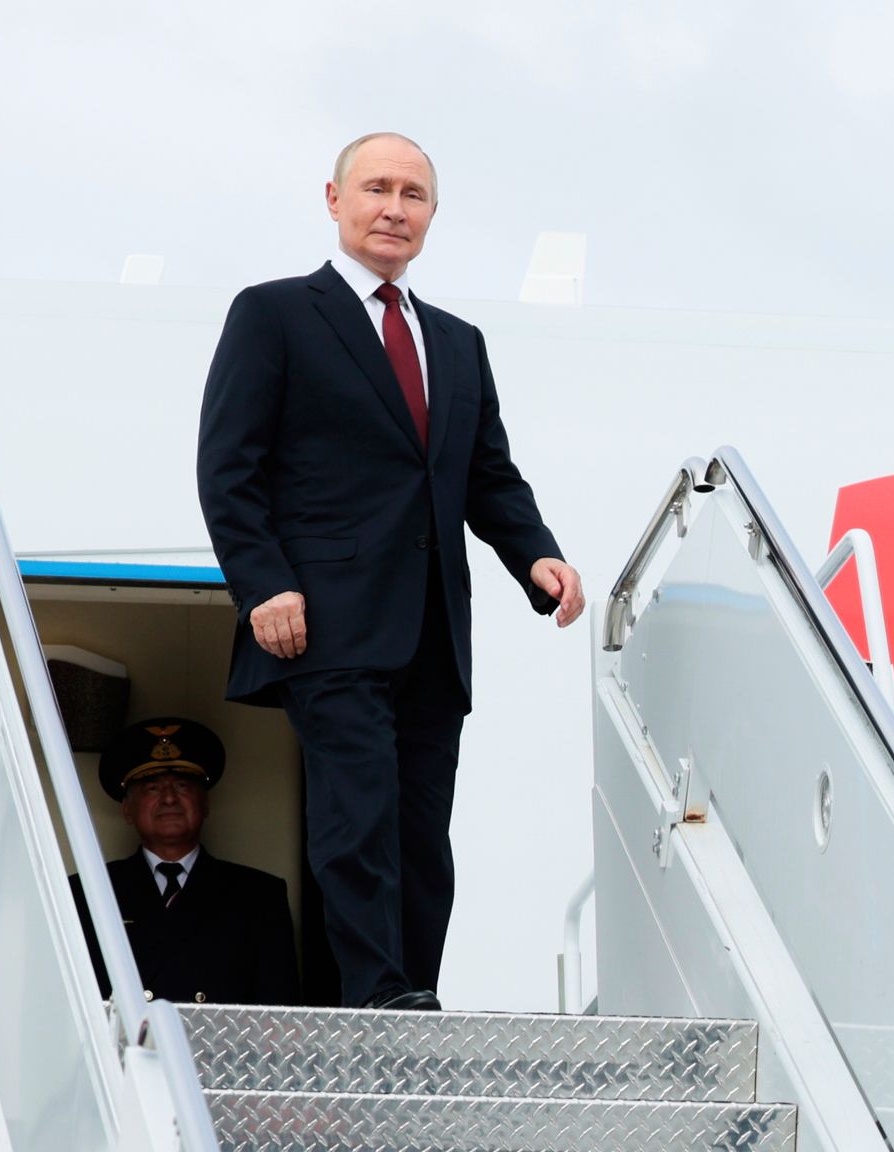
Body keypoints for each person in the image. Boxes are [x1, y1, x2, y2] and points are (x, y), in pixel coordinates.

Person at [196, 131, 585, 1012]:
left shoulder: (458, 342)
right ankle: (375, 995)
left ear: (432, 215)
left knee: (419, 833)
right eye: (376, 188)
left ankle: (414, 998)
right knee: (358, 814)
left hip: (434, 628)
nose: (393, 208)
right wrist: (263, 585)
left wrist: (537, 554)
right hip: (327, 622)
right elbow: (228, 466)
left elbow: (487, 475)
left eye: (413, 195)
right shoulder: (274, 314)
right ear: (334, 201)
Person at [72, 717, 300, 1006]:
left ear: (205, 804)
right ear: (128, 810)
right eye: (152, 788)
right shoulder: (87, 892)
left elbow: (278, 1015)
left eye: (182, 786)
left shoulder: (259, 895)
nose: (169, 799)